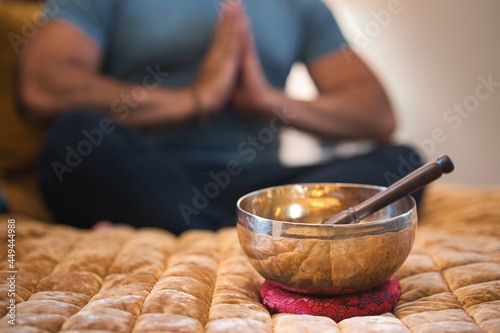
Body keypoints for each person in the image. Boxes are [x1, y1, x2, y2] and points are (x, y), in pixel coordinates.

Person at [18, 0, 423, 234]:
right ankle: (251, 236)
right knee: (73, 137)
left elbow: (377, 114)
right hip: (149, 174)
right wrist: (196, 100)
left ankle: (203, 230)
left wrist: (267, 101)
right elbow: (41, 86)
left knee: (401, 163)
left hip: (263, 195)